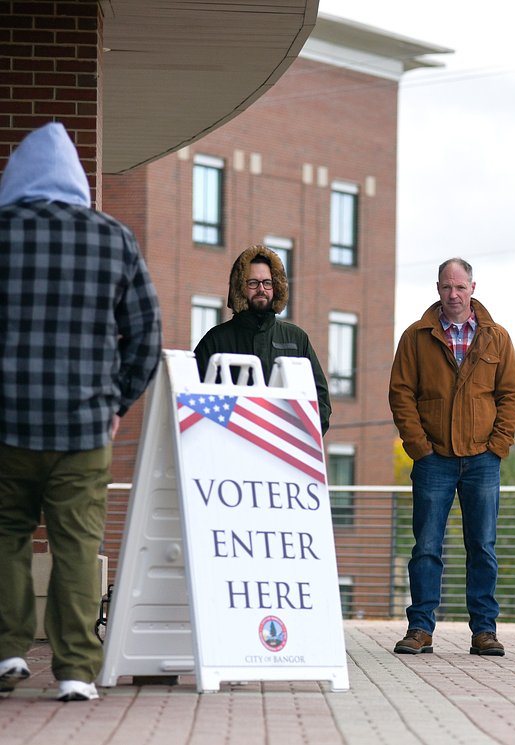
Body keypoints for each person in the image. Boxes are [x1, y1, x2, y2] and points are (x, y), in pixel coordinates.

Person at [0, 123, 161, 701]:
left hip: (7, 424)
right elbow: (145, 334)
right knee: (75, 543)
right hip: (84, 425)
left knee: (5, 536)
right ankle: (73, 672)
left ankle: (7, 650)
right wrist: (116, 402)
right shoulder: (112, 237)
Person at [389, 258, 515, 657]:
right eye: (447, 287)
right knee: (426, 546)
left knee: (482, 546)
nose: (453, 294)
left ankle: (484, 631)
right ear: (437, 289)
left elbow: (511, 395)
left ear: (473, 288)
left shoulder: (496, 337)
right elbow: (401, 394)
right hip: (434, 460)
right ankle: (420, 628)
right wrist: (419, 447)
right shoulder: (416, 337)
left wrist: (498, 445)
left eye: (460, 287)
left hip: (483, 459)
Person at [193, 245, 331, 434]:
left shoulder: (296, 339)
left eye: (267, 283)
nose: (261, 289)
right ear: (240, 286)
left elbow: (320, 400)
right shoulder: (216, 340)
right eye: (253, 283)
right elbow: (193, 401)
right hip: (230, 451)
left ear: (277, 287)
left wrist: (302, 440)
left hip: (285, 453)